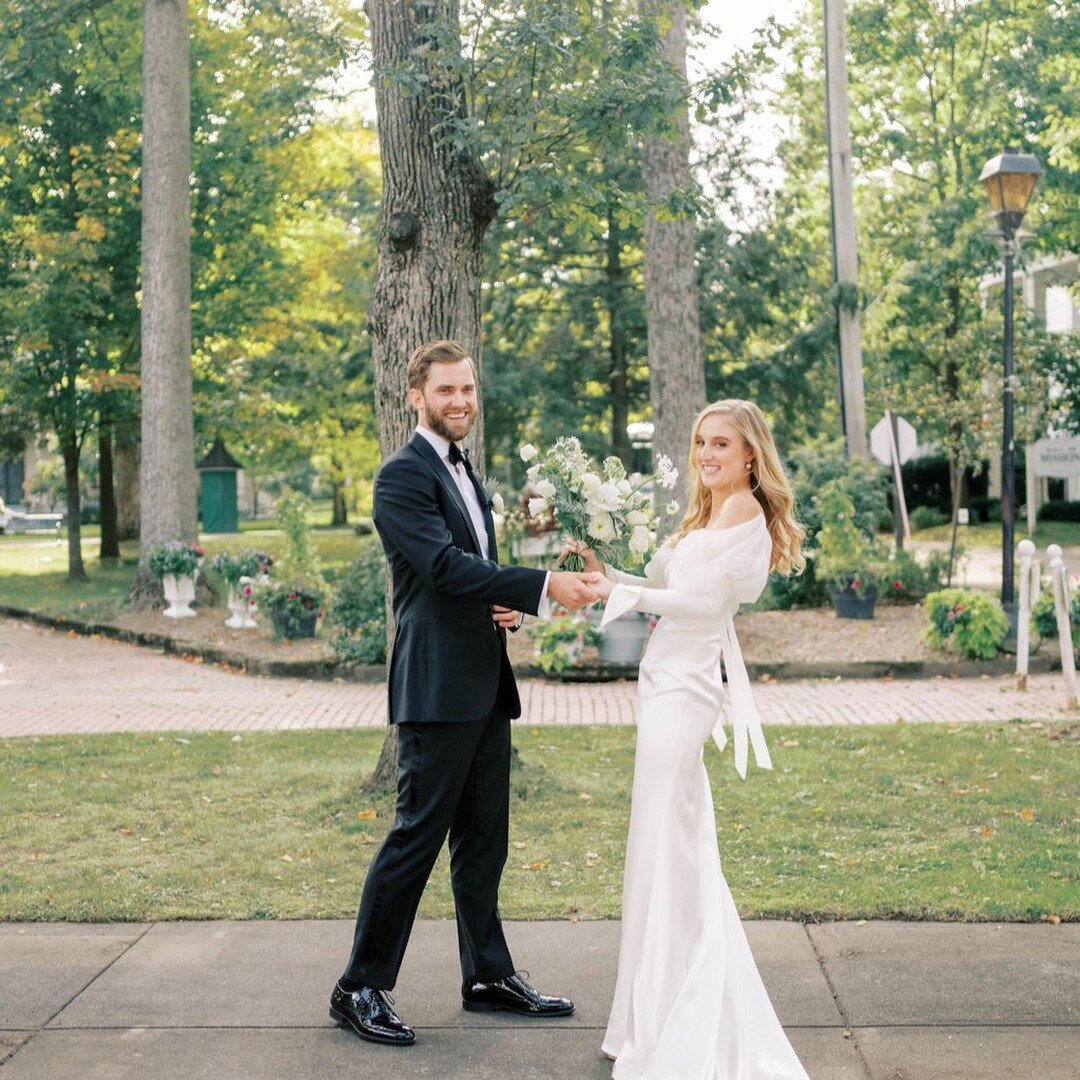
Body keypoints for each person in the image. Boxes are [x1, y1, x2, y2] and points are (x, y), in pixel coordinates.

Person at [330, 340, 599, 1048]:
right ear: (415, 395)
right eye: (446, 391)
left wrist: (505, 602)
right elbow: (443, 568)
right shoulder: (401, 477)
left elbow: (470, 570)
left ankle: (486, 974)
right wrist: (540, 589)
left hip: (484, 684)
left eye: (468, 390)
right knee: (415, 840)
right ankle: (359, 985)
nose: (460, 402)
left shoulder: (465, 472)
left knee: (484, 842)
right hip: (436, 687)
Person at [571, 398, 810, 1079]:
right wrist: (606, 575)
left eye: (721, 445)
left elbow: (705, 606)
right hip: (664, 683)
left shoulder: (747, 516)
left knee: (672, 848)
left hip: (687, 692)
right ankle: (651, 1004)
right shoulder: (710, 511)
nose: (706, 454)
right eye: (701, 442)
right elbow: (662, 585)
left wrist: (626, 598)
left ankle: (685, 1004)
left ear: (749, 456)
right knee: (660, 844)